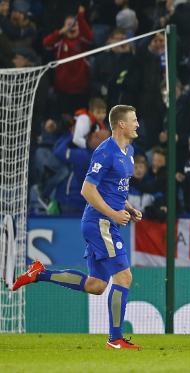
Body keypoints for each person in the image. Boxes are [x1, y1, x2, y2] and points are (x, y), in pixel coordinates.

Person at [12, 105, 143, 349]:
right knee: (124, 277)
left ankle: (39, 274)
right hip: (100, 222)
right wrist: (114, 213)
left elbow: (115, 187)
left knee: (96, 285)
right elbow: (87, 190)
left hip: (106, 220)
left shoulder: (130, 150)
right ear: (121, 124)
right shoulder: (105, 152)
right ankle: (115, 339)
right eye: (134, 120)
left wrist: (129, 207)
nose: (138, 124)